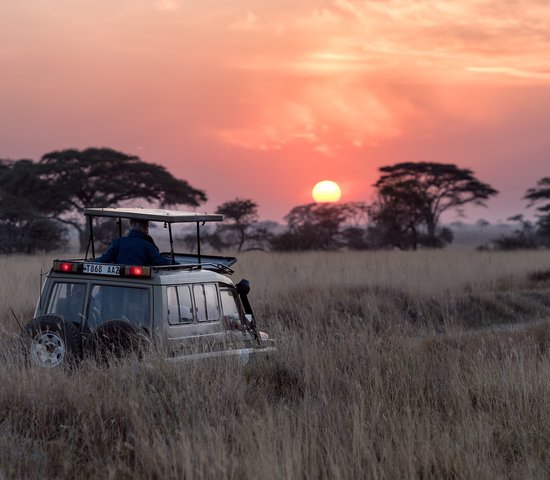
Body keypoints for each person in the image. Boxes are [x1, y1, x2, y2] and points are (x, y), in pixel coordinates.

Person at [94, 219, 173, 266]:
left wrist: (92, 261)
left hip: (118, 284)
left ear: (131, 225)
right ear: (146, 227)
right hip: (141, 284)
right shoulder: (148, 246)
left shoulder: (118, 242)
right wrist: (174, 263)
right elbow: (160, 261)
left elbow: (104, 259)